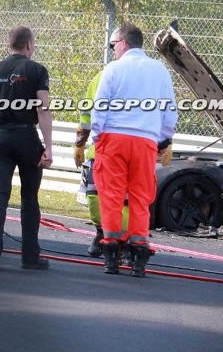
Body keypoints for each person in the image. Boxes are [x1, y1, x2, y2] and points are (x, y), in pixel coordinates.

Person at [90, 23, 177, 277]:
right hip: (145, 142)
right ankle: (138, 253)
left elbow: (100, 108)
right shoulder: (160, 71)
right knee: (141, 197)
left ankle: (112, 254)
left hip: (114, 138)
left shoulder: (114, 69)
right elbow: (169, 110)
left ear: (124, 43)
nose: (112, 49)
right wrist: (163, 139)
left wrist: (98, 137)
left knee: (111, 197)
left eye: (113, 44)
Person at [0, 26, 54, 271]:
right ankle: (30, 256)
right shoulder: (37, 70)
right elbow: (43, 109)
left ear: (9, 45)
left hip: (0, 136)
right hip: (25, 136)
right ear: (29, 45)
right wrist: (49, 148)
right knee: (29, 197)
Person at [74, 71, 130, 258]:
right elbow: (86, 114)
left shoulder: (143, 78)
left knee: (126, 201)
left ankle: (122, 240)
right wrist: (80, 145)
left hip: (130, 150)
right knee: (93, 198)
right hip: (100, 149)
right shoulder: (101, 77)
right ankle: (101, 232)